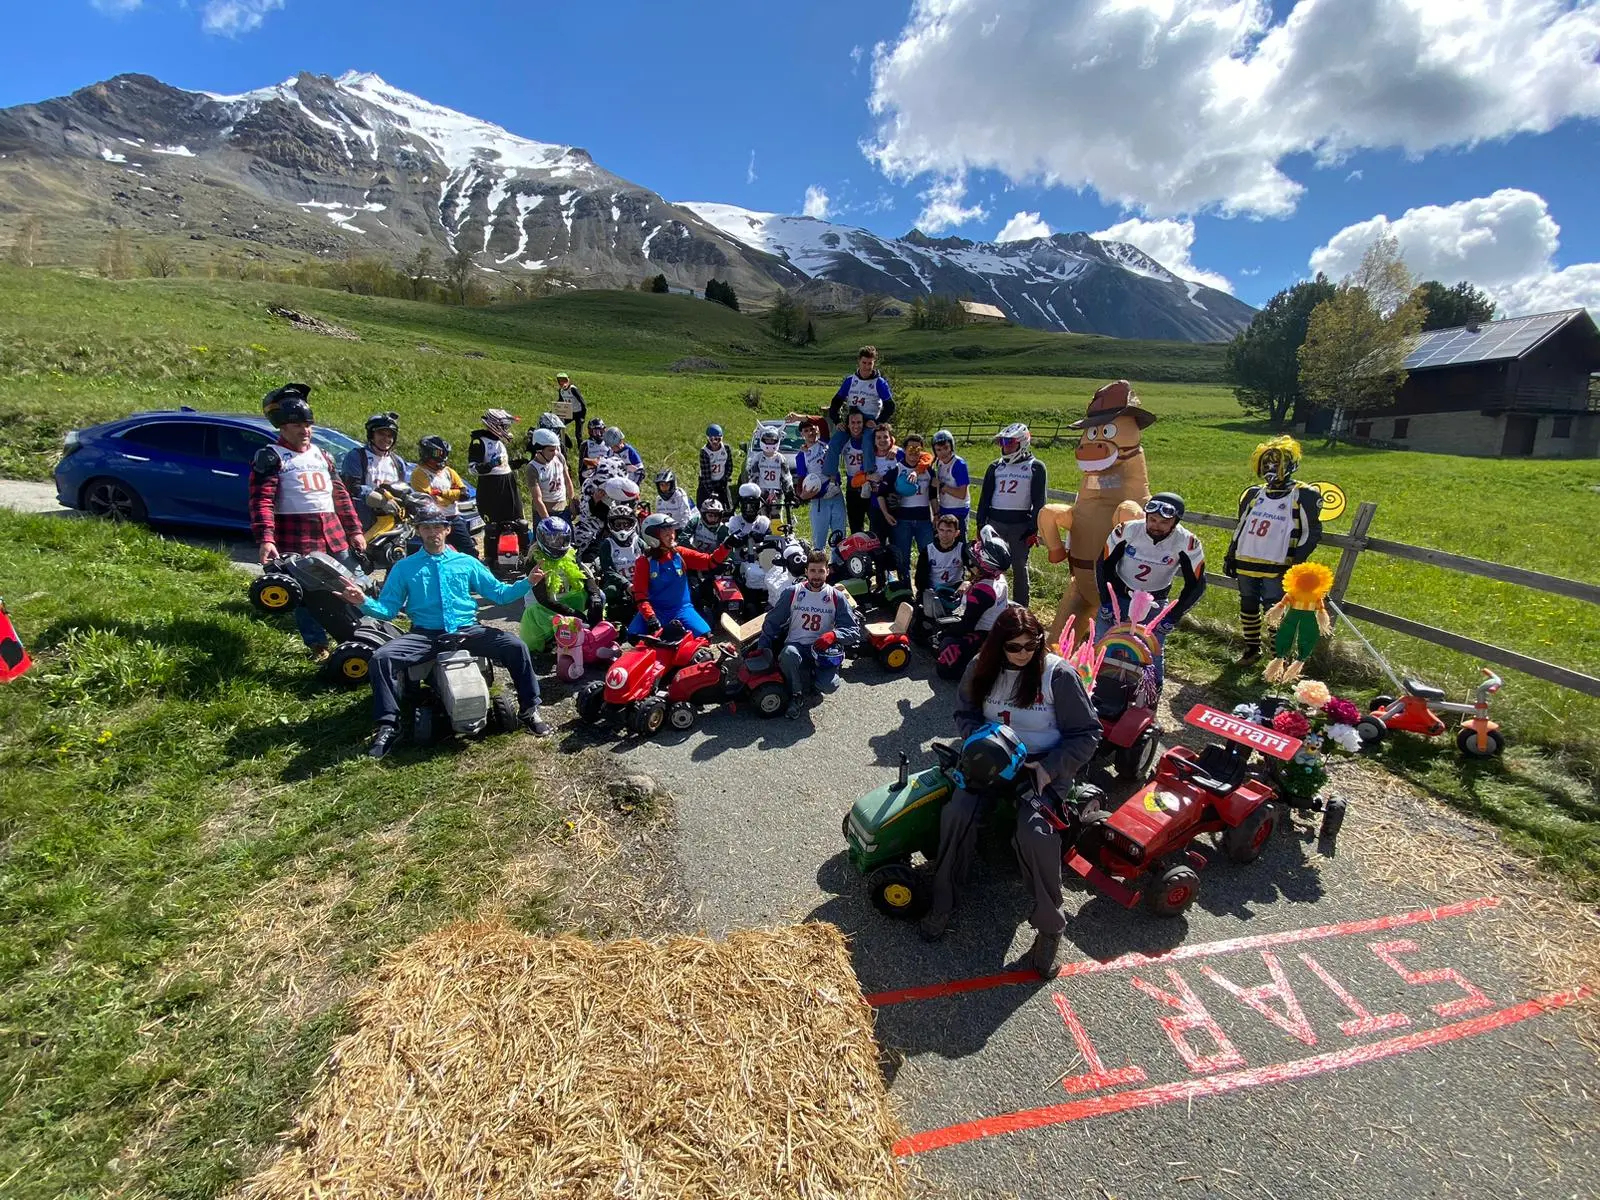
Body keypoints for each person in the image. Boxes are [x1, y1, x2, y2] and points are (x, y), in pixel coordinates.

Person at [920, 606, 1101, 978]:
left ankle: (1050, 927)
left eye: (1031, 645)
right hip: (990, 758)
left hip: (1040, 765)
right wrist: (977, 739)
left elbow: (1087, 733)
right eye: (1014, 647)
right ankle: (944, 899)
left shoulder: (1058, 675)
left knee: (1036, 833)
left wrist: (1051, 769)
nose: (1023, 653)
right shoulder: (980, 668)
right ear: (998, 645)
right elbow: (964, 712)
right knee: (957, 814)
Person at [343, 502, 551, 760]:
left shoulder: (466, 562)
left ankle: (529, 710)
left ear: (447, 530)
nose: (432, 533)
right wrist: (362, 601)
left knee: (515, 646)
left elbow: (499, 594)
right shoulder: (404, 568)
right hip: (425, 635)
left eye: (437, 527)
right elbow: (387, 609)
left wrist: (527, 583)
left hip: (467, 630)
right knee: (381, 659)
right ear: (418, 531)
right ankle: (388, 725)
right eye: (426, 528)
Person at [250, 383, 369, 659]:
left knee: (354, 582)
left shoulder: (322, 455)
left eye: (308, 425)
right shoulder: (271, 456)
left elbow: (340, 495)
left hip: (334, 533)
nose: (305, 431)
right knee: (309, 595)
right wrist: (266, 538)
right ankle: (318, 645)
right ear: (282, 427)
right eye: (297, 426)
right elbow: (261, 501)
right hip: (297, 537)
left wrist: (355, 530)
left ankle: (367, 630)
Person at [1224, 436, 1323, 664]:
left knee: (1274, 608)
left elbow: (1312, 532)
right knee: (1247, 604)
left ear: (1290, 464)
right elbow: (1242, 525)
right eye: (1265, 464)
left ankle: (1279, 656)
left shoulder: (1304, 495)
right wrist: (1231, 554)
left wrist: (1296, 561)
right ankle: (1251, 649)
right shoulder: (1253, 494)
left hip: (1278, 563)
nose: (1270, 468)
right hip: (1246, 560)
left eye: (1275, 464)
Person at [1095, 493, 1206, 693]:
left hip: (1155, 600)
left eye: (1164, 522)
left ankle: (1150, 697)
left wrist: (1173, 616)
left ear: (1176, 522)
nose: (1156, 525)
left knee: (1151, 651)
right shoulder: (1128, 530)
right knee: (1102, 643)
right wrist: (1106, 601)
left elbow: (1196, 584)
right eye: (1152, 519)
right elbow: (1103, 564)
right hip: (1120, 594)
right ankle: (1094, 688)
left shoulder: (1187, 542)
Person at [758, 548, 860, 719]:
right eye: (812, 570)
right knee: (788, 655)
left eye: (821, 571)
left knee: (829, 686)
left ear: (827, 571)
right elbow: (772, 621)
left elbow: (853, 631)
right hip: (797, 646)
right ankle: (796, 695)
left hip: (823, 651)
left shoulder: (836, 597)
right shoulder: (793, 592)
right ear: (806, 571)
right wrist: (762, 647)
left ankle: (814, 677)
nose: (816, 575)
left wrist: (834, 635)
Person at [975, 422, 1047, 607]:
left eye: (1009, 442)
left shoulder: (1035, 467)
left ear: (1022, 443)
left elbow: (1039, 501)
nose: (1005, 447)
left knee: (1019, 567)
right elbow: (985, 497)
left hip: (1020, 526)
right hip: (995, 522)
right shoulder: (995, 467)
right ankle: (986, 601)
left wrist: (1033, 528)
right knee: (987, 564)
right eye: (1002, 442)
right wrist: (980, 524)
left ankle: (1020, 607)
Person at [628, 514, 729, 639]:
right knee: (633, 637)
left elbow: (710, 562)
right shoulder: (644, 562)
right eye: (666, 533)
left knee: (705, 636)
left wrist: (727, 546)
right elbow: (640, 595)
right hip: (655, 611)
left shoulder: (680, 553)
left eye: (672, 531)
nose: (671, 536)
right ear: (653, 536)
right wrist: (650, 617)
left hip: (682, 610)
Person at [934, 525, 1012, 680]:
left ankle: (974, 666)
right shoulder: (997, 578)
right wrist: (969, 583)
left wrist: (944, 634)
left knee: (944, 657)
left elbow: (967, 625)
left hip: (983, 634)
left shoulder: (982, 592)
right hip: (994, 626)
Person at [519, 516, 604, 654]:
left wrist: (594, 595)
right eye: (553, 539)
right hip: (543, 608)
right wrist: (571, 613)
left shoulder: (570, 553)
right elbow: (544, 599)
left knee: (600, 596)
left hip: (566, 599)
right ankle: (550, 639)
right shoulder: (533, 561)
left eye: (562, 539)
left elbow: (586, 574)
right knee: (538, 637)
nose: (558, 544)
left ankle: (594, 634)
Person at [878, 430, 935, 586]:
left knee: (928, 555)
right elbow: (881, 493)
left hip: (924, 521)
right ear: (905, 450)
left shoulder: (927, 470)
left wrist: (936, 515)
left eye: (917, 449)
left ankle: (925, 587)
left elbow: (933, 495)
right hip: (902, 521)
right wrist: (886, 514)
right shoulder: (897, 469)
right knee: (903, 557)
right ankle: (906, 588)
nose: (914, 452)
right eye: (910, 448)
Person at [339, 412, 410, 534]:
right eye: (381, 434)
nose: (386, 439)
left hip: (392, 521)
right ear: (371, 435)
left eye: (390, 435)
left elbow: (403, 488)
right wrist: (379, 499)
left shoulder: (397, 461)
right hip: (364, 520)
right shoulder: (357, 456)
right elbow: (351, 488)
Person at [410, 436, 479, 557]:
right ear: (426, 454)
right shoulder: (419, 473)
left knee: (470, 552)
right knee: (432, 553)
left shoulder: (449, 471)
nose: (441, 457)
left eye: (444, 453)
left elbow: (464, 494)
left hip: (453, 517)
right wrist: (452, 496)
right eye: (438, 453)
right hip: (432, 521)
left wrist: (442, 493)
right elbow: (430, 499)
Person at [584, 500, 646, 623]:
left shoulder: (638, 542)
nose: (622, 528)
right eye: (618, 524)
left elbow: (649, 561)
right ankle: (609, 617)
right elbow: (608, 571)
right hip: (617, 584)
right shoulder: (607, 544)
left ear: (632, 524)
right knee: (610, 591)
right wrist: (627, 585)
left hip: (638, 581)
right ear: (611, 525)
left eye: (625, 524)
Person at [794, 416, 846, 554]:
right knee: (819, 538)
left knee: (839, 535)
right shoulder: (801, 456)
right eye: (806, 430)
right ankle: (819, 568)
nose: (810, 432)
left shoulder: (825, 442)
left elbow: (823, 421)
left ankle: (837, 565)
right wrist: (802, 495)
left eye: (812, 429)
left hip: (835, 494)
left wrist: (799, 416)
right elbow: (801, 479)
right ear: (802, 434)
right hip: (819, 499)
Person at [467, 408, 526, 526]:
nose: (507, 430)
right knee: (495, 525)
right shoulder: (479, 442)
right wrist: (490, 465)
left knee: (519, 522)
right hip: (491, 486)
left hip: (509, 484)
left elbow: (503, 464)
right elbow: (472, 469)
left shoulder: (499, 441)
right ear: (496, 426)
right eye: (505, 427)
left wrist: (516, 463)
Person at [822, 409, 878, 535]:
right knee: (855, 526)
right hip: (853, 487)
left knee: (876, 525)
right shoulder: (844, 440)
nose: (856, 426)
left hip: (870, 485)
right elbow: (828, 450)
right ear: (847, 424)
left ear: (864, 424)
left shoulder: (870, 439)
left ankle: (877, 551)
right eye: (853, 423)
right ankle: (858, 552)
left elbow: (888, 443)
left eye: (859, 422)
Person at [826, 345, 895, 432]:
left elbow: (890, 405)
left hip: (870, 420)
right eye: (864, 363)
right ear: (859, 361)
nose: (866, 367)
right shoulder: (850, 380)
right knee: (835, 443)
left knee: (867, 443)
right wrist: (837, 421)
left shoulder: (879, 382)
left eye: (870, 363)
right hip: (852, 420)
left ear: (874, 363)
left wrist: (878, 422)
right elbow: (836, 401)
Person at [915, 513, 970, 621]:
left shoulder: (963, 549)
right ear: (937, 530)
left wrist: (968, 582)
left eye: (949, 531)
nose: (944, 534)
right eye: (942, 530)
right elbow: (920, 580)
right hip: (933, 590)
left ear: (957, 533)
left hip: (955, 590)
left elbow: (976, 573)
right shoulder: (928, 551)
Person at [742, 426, 793, 521]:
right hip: (761, 493)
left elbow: (786, 477)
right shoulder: (757, 458)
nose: (769, 443)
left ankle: (777, 535)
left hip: (776, 493)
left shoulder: (781, 458)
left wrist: (790, 493)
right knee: (762, 519)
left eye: (772, 440)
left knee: (776, 518)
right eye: (766, 440)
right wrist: (751, 492)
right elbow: (753, 476)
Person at [525, 427, 574, 521]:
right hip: (544, 513)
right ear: (539, 450)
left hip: (563, 509)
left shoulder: (559, 457)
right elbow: (537, 499)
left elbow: (567, 481)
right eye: (551, 450)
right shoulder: (532, 468)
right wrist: (547, 521)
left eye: (555, 449)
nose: (555, 453)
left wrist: (572, 502)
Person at [931, 429, 971, 536]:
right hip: (944, 508)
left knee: (959, 543)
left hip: (959, 510)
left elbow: (962, 494)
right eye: (938, 450)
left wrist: (942, 486)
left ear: (951, 447)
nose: (943, 453)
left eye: (946, 448)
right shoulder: (939, 462)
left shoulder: (959, 464)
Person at [697, 423, 734, 512]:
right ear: (708, 439)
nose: (715, 442)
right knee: (705, 510)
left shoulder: (726, 449)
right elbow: (706, 475)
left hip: (722, 483)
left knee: (728, 509)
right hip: (707, 484)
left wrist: (724, 479)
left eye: (717, 439)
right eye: (712, 439)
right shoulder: (704, 452)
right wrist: (711, 492)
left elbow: (729, 466)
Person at [553, 371, 586, 445]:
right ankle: (564, 443)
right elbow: (561, 400)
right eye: (560, 381)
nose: (563, 383)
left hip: (579, 413)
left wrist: (583, 416)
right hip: (570, 413)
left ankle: (581, 450)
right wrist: (553, 410)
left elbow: (582, 402)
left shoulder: (573, 389)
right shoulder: (561, 391)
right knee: (559, 426)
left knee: (578, 434)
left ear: (568, 381)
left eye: (564, 380)